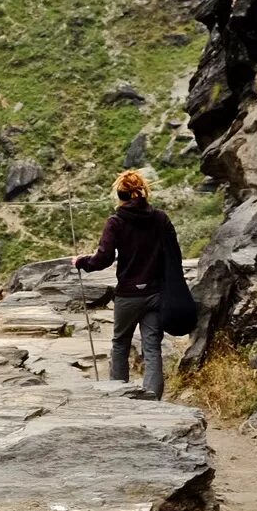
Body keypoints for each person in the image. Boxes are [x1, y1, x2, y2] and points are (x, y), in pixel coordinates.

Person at [72, 170, 176, 400]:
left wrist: (81, 262)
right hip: (155, 293)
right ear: (144, 193)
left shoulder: (116, 222)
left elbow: (104, 259)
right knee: (152, 348)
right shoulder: (160, 218)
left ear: (120, 194)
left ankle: (119, 397)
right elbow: (174, 254)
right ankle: (151, 401)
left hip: (128, 295)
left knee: (120, 344)